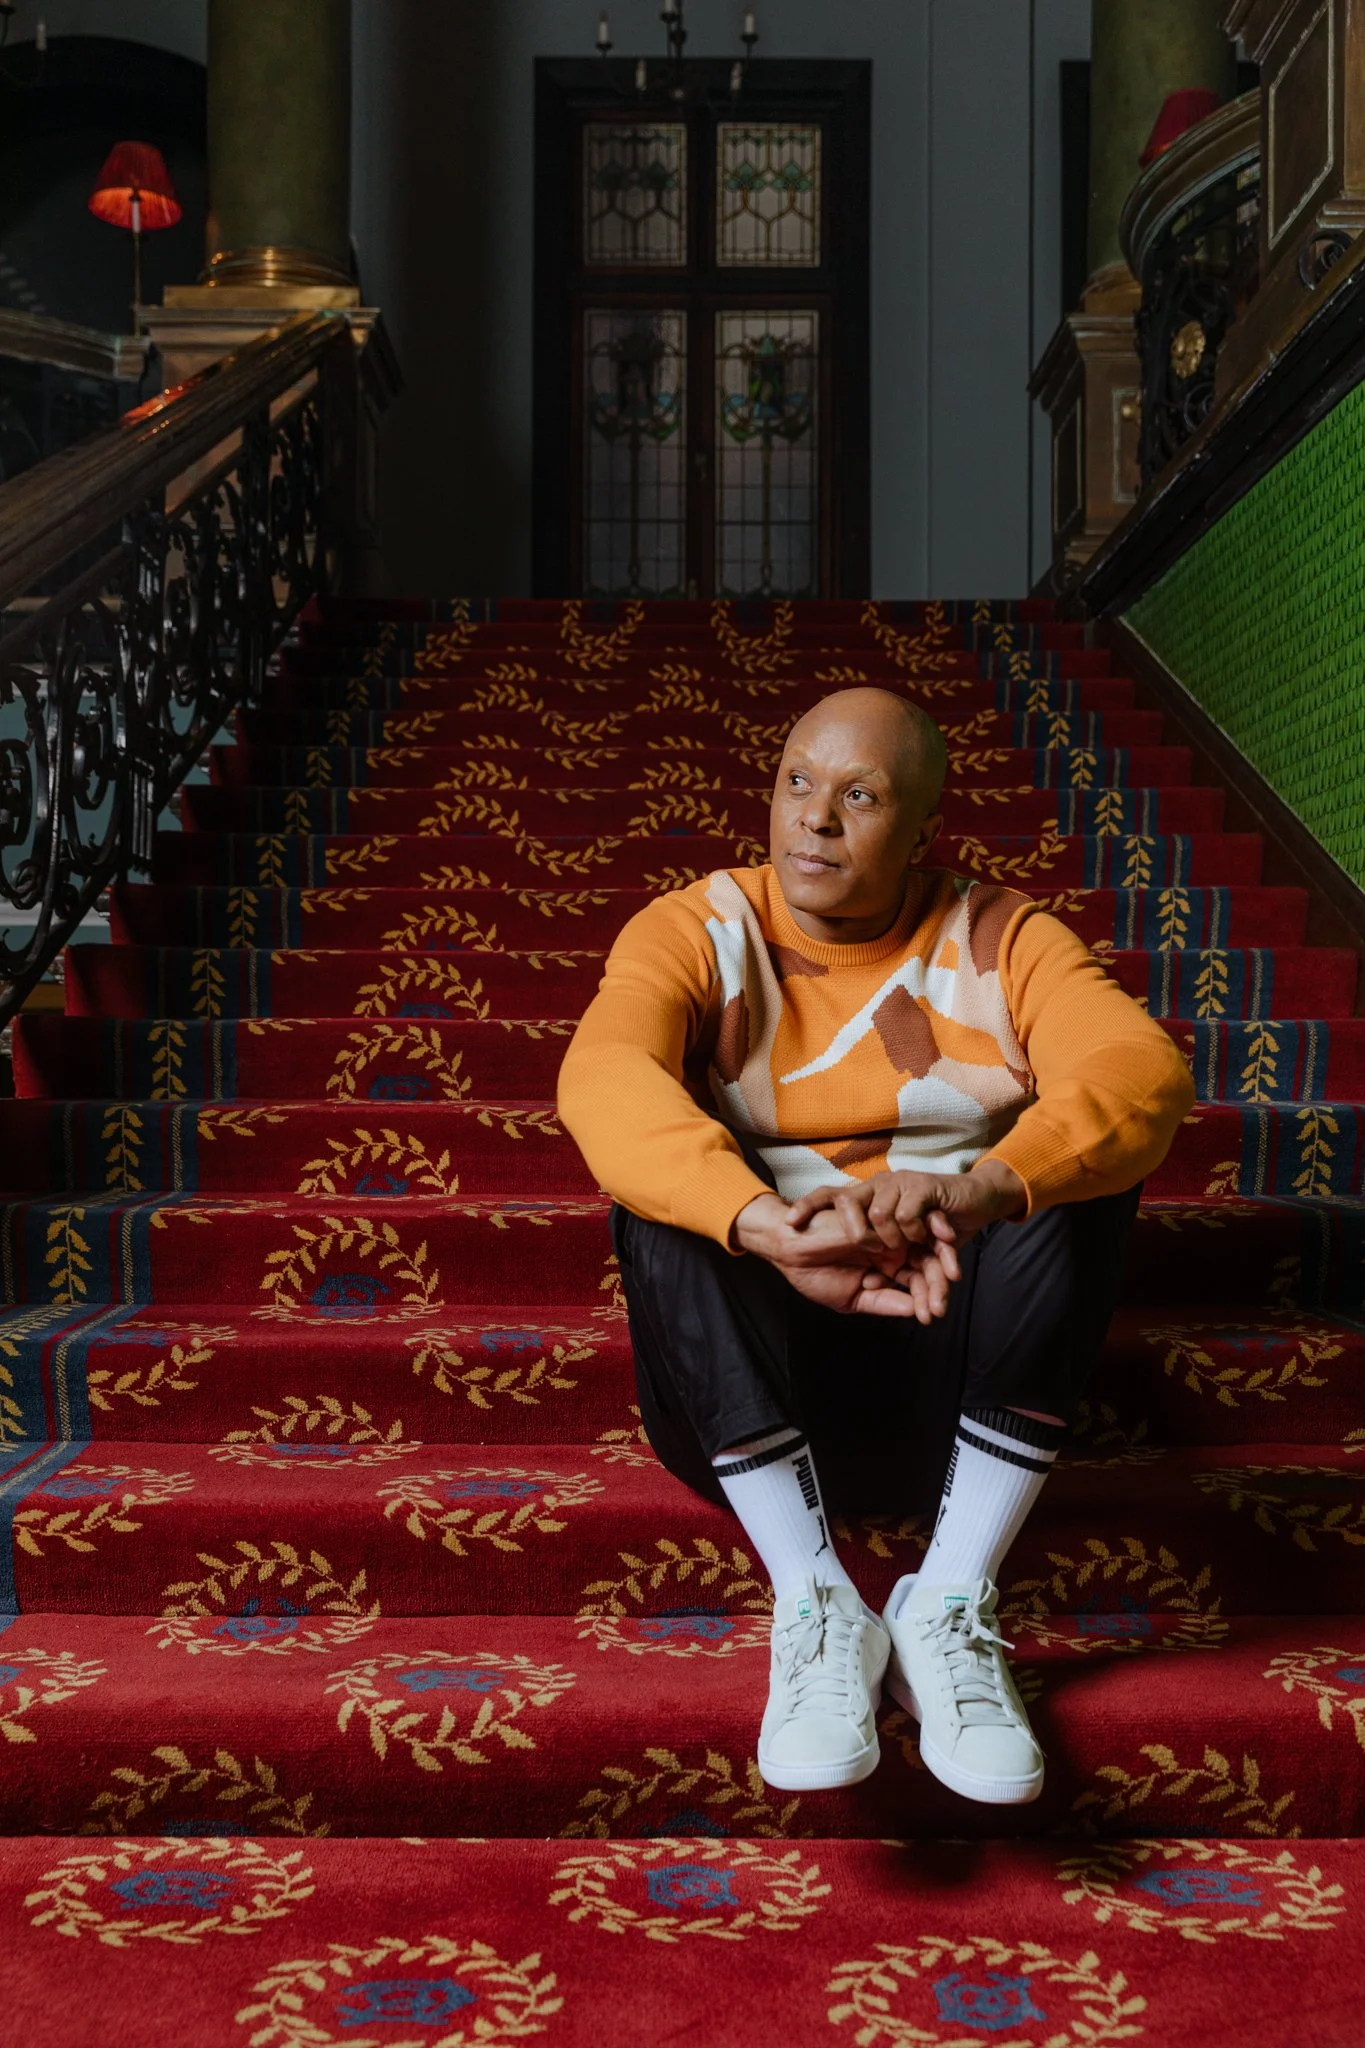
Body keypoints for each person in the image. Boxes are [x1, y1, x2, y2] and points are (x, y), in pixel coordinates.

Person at [558, 688, 1193, 1805]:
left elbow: (1140, 1072)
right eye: (797, 782)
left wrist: (980, 1187)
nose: (814, 818)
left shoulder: (1002, 935)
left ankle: (947, 1595)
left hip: (956, 1377)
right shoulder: (697, 926)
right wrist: (763, 1221)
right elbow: (601, 1078)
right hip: (746, 1399)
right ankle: (816, 1600)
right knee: (665, 1195)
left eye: (859, 796)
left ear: (923, 832)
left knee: (1080, 1172)